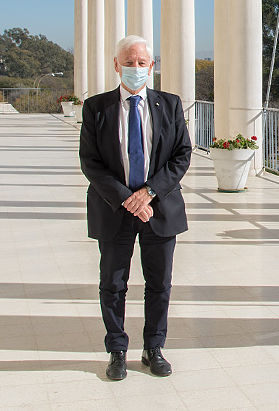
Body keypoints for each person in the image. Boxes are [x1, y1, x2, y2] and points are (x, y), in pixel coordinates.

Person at [79, 35, 192, 380]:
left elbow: (181, 155)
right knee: (113, 283)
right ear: (116, 65)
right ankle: (116, 349)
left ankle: (154, 347)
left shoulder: (169, 105)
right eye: (129, 62)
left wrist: (149, 193)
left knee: (160, 283)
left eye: (142, 63)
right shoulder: (96, 108)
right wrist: (128, 199)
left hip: (160, 209)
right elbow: (90, 161)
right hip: (114, 210)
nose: (136, 69)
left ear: (152, 67)